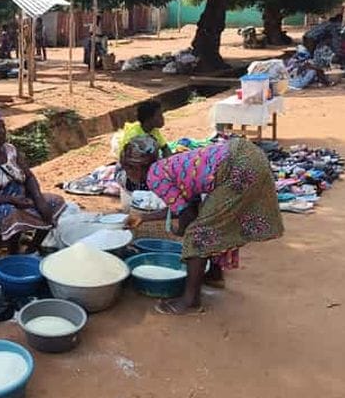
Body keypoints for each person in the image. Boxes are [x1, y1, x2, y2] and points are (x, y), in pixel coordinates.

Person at [121, 135, 284, 315]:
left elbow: (187, 215)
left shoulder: (154, 177)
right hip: (247, 155)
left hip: (238, 167)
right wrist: (143, 217)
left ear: (133, 167)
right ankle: (214, 275)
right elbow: (187, 206)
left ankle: (191, 301)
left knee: (198, 235)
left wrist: (182, 230)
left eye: (126, 169)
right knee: (214, 224)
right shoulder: (166, 166)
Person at [0, 111, 66, 253]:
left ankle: (33, 247)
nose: (2, 131)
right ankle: (13, 251)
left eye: (3, 127)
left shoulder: (11, 150)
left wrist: (38, 199)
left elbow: (29, 177)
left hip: (19, 197)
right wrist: (12, 200)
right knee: (12, 213)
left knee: (54, 202)